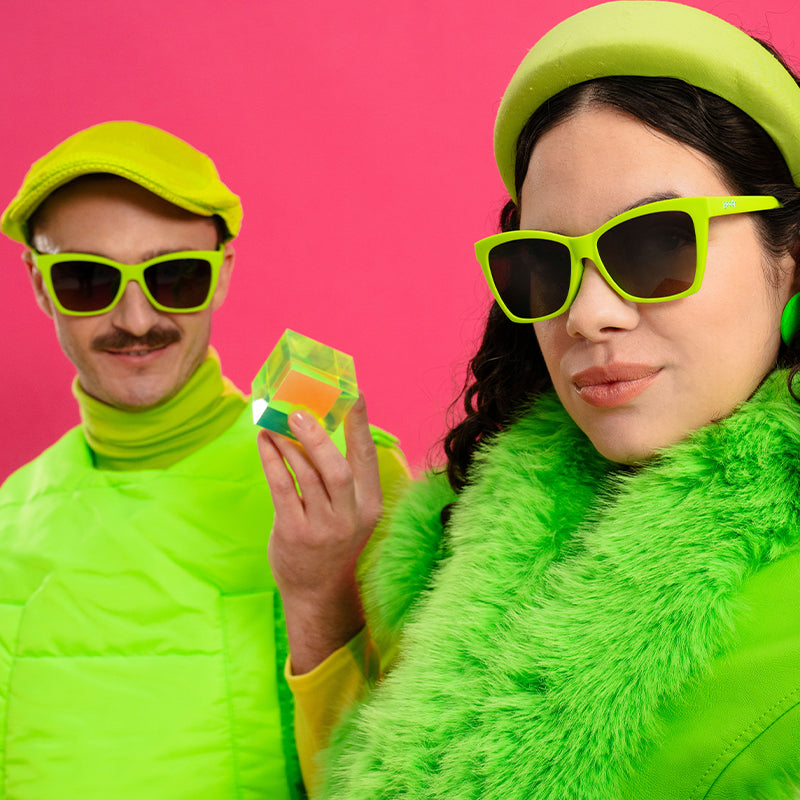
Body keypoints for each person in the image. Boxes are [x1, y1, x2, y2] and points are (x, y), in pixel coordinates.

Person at [258, 2, 800, 798]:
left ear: (790, 256)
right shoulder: (472, 542)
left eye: (657, 243)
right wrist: (320, 601)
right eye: (546, 265)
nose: (587, 314)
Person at [0, 121, 409, 800]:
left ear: (222, 274)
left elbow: (420, 775)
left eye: (175, 276)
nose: (135, 318)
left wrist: (320, 596)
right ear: (40, 285)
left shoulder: (332, 481)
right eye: (84, 280)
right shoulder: (10, 517)